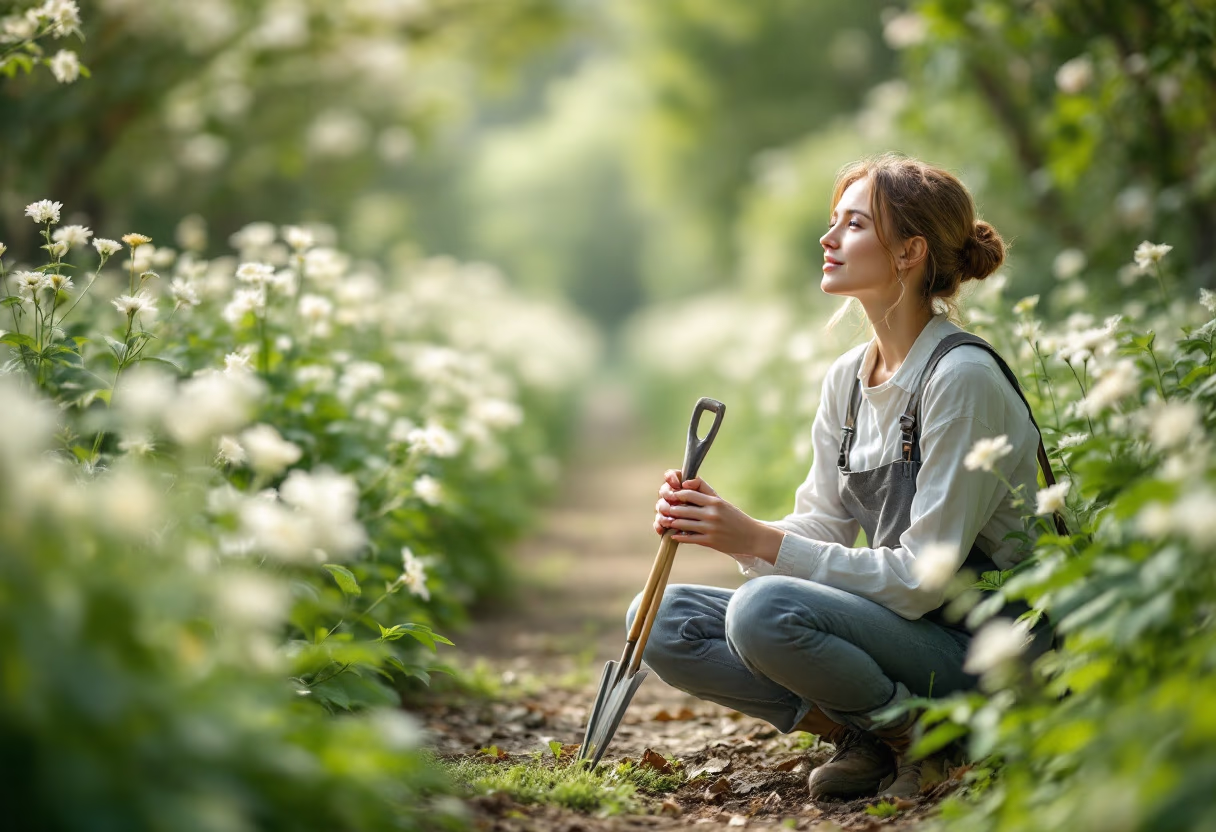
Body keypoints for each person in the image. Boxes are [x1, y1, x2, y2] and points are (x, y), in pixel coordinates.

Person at [634, 153, 1057, 801]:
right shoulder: (848, 381)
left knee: (762, 611)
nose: (828, 239)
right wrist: (731, 530)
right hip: (912, 634)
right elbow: (821, 527)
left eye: (853, 225)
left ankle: (941, 735)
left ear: (909, 252)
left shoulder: (959, 378)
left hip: (984, 649)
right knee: (658, 617)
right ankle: (879, 734)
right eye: (834, 222)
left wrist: (759, 542)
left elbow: (922, 581)